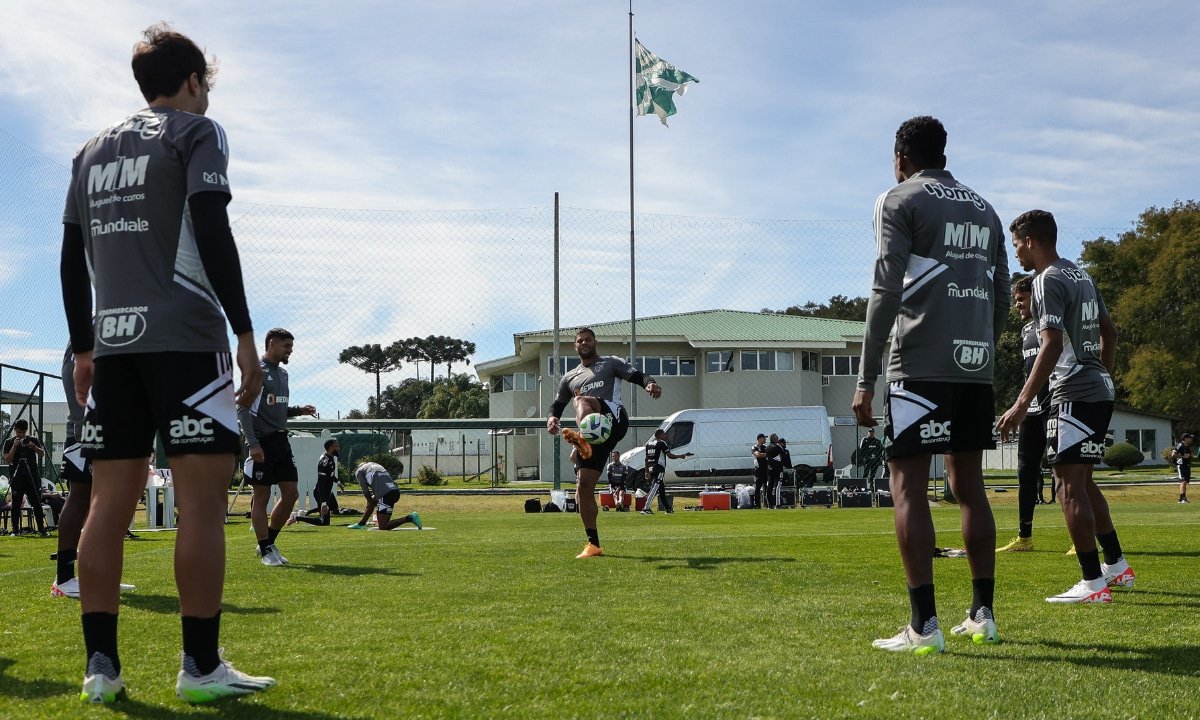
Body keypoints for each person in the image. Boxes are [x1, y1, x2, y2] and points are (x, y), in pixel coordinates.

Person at [60, 23, 274, 703]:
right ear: (190, 81)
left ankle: (102, 667)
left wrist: (85, 346)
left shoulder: (90, 150)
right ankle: (201, 668)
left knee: (106, 506)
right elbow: (213, 227)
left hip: (113, 349)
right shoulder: (195, 133)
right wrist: (244, 331)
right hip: (186, 341)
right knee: (201, 506)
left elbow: (70, 257)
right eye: (204, 83)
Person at [853, 116, 1009, 654]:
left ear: (900, 157)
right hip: (976, 366)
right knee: (970, 488)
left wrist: (865, 378)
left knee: (908, 488)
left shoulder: (898, 199)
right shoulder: (985, 207)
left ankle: (923, 627)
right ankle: (982, 615)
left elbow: (884, 290)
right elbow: (1004, 296)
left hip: (919, 365)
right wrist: (978, 346)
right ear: (944, 153)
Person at [998, 209, 1135, 604]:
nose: (1017, 254)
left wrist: (1023, 402)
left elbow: (1052, 344)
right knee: (1084, 481)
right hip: (1097, 390)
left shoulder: (1046, 280)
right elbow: (1109, 332)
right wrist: (1102, 377)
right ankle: (1118, 566)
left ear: (1031, 241)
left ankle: (1092, 582)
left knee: (1067, 485)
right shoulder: (1081, 275)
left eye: (1017, 245)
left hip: (1072, 392)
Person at [546, 327, 662, 558]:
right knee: (584, 487)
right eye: (580, 341)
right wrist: (551, 418)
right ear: (575, 346)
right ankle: (593, 544)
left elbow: (637, 375)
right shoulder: (569, 377)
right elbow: (557, 404)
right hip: (596, 439)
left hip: (614, 418)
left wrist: (650, 383)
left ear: (595, 342)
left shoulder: (610, 363)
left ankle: (580, 439)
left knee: (581, 400)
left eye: (588, 339)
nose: (584, 343)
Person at [51, 344, 138, 598]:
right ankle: (64, 578)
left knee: (102, 504)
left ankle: (99, 574)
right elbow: (73, 370)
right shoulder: (90, 327)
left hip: (106, 429)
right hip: (86, 431)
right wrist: (83, 425)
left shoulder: (116, 326)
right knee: (79, 498)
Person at [237, 328, 317, 566]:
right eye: (286, 346)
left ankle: (267, 544)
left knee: (291, 494)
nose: (290, 351)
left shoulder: (283, 374)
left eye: (291, 347)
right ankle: (265, 550)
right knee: (261, 495)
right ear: (272, 344)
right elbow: (242, 409)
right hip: (261, 442)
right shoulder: (256, 373)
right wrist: (253, 444)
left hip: (282, 441)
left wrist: (298, 410)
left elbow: (277, 409)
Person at [997, 275, 1053, 552]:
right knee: (1025, 472)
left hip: (1055, 402)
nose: (1017, 305)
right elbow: (1028, 373)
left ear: (1036, 296)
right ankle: (1024, 537)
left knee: (1068, 475)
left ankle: (1083, 539)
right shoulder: (1024, 331)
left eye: (1021, 299)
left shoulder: (1054, 323)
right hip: (1032, 407)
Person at [3, 419, 48, 536]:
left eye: (23, 433)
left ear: (26, 431)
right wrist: (14, 446)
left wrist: (33, 446)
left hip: (32, 477)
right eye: (18, 433)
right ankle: (15, 530)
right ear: (14, 430)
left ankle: (41, 529)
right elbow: (7, 460)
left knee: (37, 503)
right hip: (17, 477)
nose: (21, 435)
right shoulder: (9, 442)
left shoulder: (32, 440)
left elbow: (42, 454)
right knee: (16, 503)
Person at [347, 461, 421, 531]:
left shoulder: (359, 471)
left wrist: (371, 502)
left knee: (383, 526)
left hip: (385, 494)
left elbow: (365, 491)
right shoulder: (376, 466)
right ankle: (362, 523)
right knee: (372, 500)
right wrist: (371, 502)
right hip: (395, 491)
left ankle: (410, 518)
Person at [290, 439, 342, 526]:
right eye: (337, 446)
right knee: (324, 522)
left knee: (334, 508)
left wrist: (338, 482)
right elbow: (321, 483)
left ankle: (306, 512)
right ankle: (296, 517)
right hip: (321, 492)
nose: (339, 448)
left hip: (327, 491)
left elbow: (330, 474)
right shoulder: (324, 463)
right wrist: (324, 502)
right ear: (330, 448)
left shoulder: (330, 457)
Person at [641, 429, 692, 514]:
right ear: (659, 435)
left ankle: (668, 508)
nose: (666, 436)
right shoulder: (661, 443)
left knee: (661, 489)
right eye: (664, 434)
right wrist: (680, 456)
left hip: (650, 467)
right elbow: (670, 456)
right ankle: (646, 508)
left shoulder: (648, 444)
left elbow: (646, 459)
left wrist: (646, 471)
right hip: (659, 468)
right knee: (655, 487)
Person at [1172, 433, 1193, 503]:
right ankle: (1182, 498)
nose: (1191, 439)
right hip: (1181, 466)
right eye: (1190, 438)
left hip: (1187, 466)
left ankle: (1183, 498)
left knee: (1185, 482)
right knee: (1183, 481)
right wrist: (1183, 457)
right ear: (1185, 438)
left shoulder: (1188, 446)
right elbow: (1173, 454)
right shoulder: (1180, 445)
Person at [751, 434, 769, 508]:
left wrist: (765, 454)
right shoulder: (754, 447)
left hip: (766, 470)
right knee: (757, 488)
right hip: (758, 470)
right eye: (764, 438)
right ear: (759, 439)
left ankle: (767, 504)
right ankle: (757, 505)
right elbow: (758, 455)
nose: (765, 439)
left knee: (767, 487)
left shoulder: (765, 447)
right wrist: (768, 454)